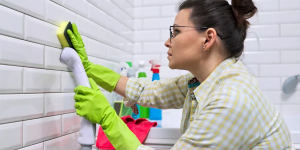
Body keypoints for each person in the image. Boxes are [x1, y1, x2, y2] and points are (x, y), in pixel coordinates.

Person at [67, 0, 293, 149]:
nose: (168, 41)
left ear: (208, 38)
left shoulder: (230, 99)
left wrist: (108, 118)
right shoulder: (205, 80)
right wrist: (88, 68)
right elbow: (149, 91)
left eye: (175, 32)